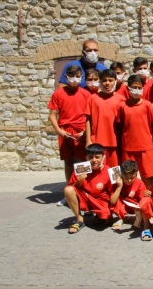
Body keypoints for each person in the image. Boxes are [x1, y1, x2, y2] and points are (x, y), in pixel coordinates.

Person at [48, 64, 91, 206]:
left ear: (82, 77)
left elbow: (90, 116)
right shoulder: (58, 93)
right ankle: (69, 191)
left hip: (81, 130)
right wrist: (59, 130)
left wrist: (85, 132)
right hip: (64, 130)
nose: (75, 80)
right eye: (72, 77)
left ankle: (83, 191)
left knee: (82, 162)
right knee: (68, 162)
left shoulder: (86, 94)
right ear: (66, 77)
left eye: (78, 77)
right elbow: (52, 115)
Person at [116, 74, 153, 188]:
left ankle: (149, 198)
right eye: (134, 87)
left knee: (148, 175)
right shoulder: (122, 106)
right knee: (128, 175)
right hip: (128, 147)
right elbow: (120, 125)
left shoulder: (147, 105)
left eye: (139, 87)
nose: (137, 90)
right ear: (128, 88)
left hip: (145, 146)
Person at [63, 144, 112, 234]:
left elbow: (111, 192)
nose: (94, 160)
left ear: (103, 157)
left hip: (100, 199)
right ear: (86, 158)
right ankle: (79, 218)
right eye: (91, 157)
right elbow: (72, 187)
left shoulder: (108, 170)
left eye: (97, 157)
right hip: (84, 196)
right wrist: (79, 182)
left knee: (106, 218)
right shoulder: (81, 169)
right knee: (68, 189)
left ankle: (99, 215)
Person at [85, 69, 123, 167]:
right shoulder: (92, 98)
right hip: (97, 141)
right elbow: (88, 120)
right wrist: (88, 140)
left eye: (110, 80)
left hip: (115, 141)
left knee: (114, 170)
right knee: (99, 169)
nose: (107, 83)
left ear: (115, 81)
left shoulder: (121, 99)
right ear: (100, 81)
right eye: (104, 80)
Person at [109, 160, 150, 232]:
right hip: (124, 203)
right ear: (121, 175)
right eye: (126, 178)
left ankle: (140, 220)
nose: (129, 180)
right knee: (117, 198)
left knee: (143, 205)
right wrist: (119, 186)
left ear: (136, 174)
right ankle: (120, 218)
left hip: (135, 205)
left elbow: (143, 199)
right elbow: (112, 201)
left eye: (132, 178)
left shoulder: (139, 183)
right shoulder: (118, 182)